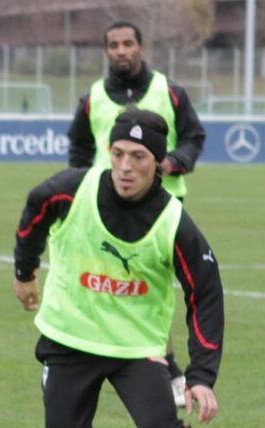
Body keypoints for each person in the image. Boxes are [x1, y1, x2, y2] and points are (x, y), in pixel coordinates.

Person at [12, 108, 260, 428]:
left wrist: (201, 376)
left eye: (139, 157)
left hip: (136, 347)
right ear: (109, 152)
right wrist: (24, 270)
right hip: (71, 339)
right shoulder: (72, 190)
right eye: (120, 154)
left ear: (158, 163)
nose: (126, 167)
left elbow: (205, 293)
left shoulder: (173, 222)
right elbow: (34, 210)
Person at [67, 21, 206, 406]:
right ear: (106, 51)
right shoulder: (93, 97)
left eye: (128, 43)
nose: (121, 50)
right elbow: (78, 148)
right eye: (113, 45)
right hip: (105, 210)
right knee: (106, 283)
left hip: (163, 209)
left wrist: (176, 160)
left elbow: (195, 136)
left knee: (152, 287)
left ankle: (164, 364)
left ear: (141, 47)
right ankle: (134, 362)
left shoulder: (170, 92)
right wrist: (80, 190)